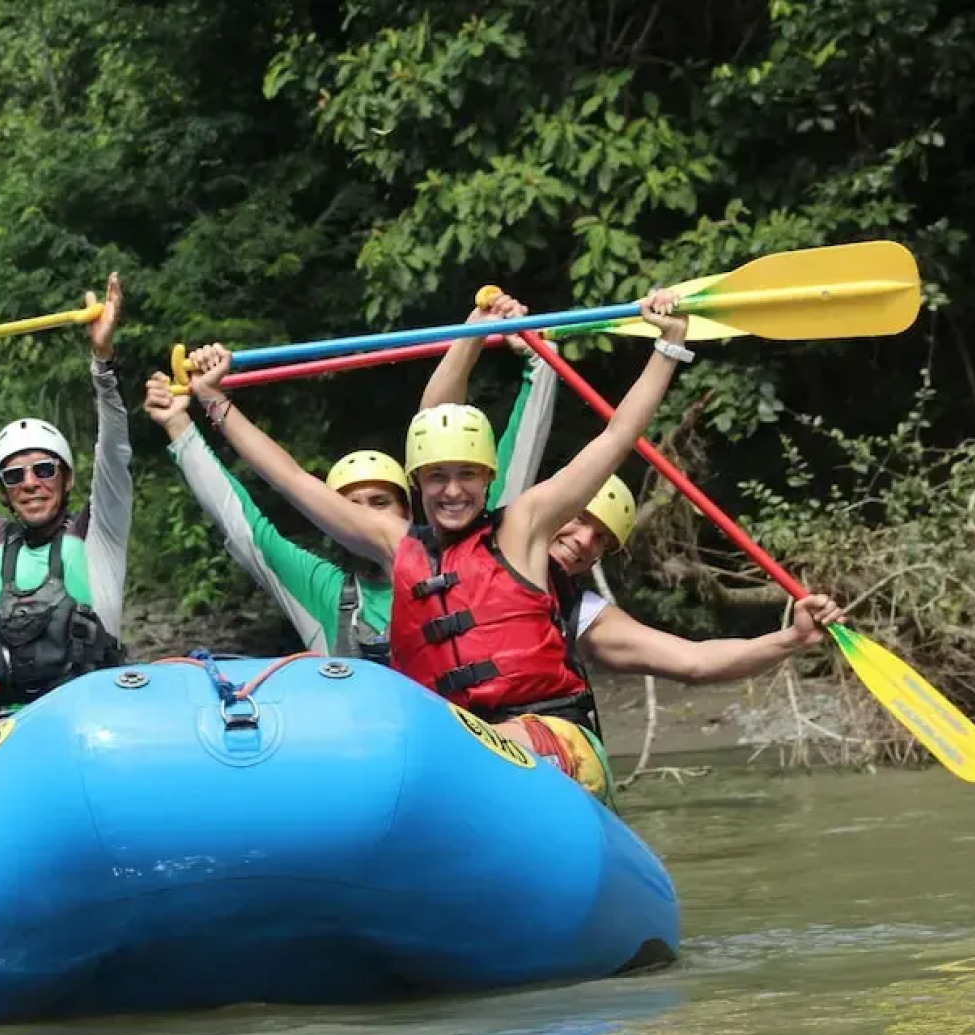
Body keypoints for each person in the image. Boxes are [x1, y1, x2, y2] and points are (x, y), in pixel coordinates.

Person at [168, 288, 696, 803]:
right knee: (421, 751)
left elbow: (615, 438)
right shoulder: (393, 543)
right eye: (437, 477)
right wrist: (215, 400)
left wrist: (667, 348)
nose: (452, 491)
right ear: (417, 484)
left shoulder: (526, 523)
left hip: (553, 739)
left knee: (453, 748)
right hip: (458, 746)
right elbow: (289, 478)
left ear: (489, 478)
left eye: (467, 475)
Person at [419, 312, 843, 738]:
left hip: (528, 748)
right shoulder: (476, 530)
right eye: (581, 520)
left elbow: (692, 661)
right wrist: (472, 332)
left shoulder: (579, 614)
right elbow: (436, 430)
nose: (584, 541)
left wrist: (791, 639)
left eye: (602, 540)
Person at [139, 293, 578, 661]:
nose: (365, 517)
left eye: (380, 503)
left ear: (411, 509)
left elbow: (498, 441)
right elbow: (243, 521)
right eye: (350, 505)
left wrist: (527, 354)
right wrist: (182, 423)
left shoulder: (478, 546)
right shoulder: (324, 592)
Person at [0, 273, 131, 723]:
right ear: (5, 491)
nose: (30, 482)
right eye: (15, 475)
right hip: (7, 729)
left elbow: (113, 453)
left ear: (67, 480)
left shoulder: (98, 532)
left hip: (92, 720)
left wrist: (102, 364)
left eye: (44, 469)